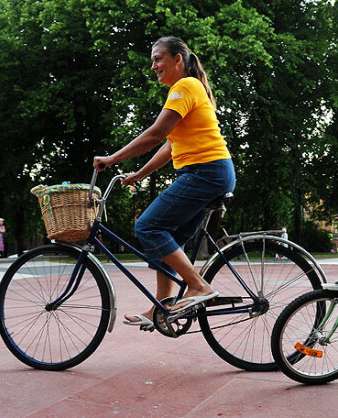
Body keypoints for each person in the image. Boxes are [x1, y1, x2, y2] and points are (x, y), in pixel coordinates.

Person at [93, 37, 235, 327]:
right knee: (165, 243)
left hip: (205, 172)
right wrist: (139, 174)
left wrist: (112, 158)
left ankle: (198, 286)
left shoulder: (184, 87)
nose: (154, 66)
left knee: (147, 226)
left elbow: (156, 133)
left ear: (177, 60)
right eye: (153, 61)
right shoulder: (187, 91)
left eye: (159, 59)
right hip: (206, 173)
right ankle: (163, 307)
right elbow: (169, 145)